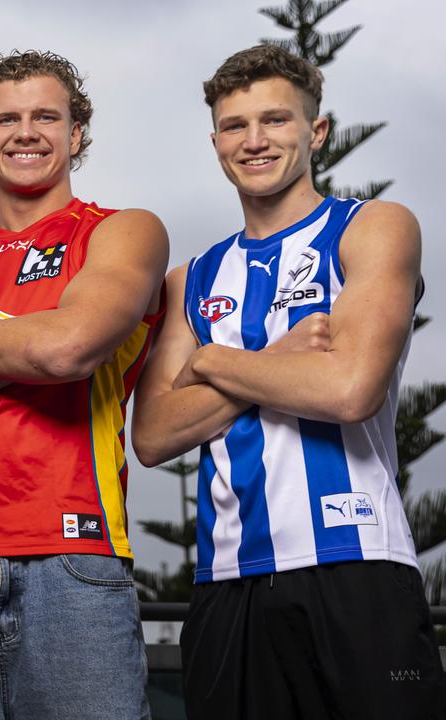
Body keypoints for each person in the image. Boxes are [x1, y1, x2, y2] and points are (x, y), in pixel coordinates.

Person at [132, 44, 445, 718]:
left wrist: (213, 362)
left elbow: (348, 390)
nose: (254, 141)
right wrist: (280, 358)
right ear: (215, 140)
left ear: (317, 132)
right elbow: (154, 434)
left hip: (357, 565)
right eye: (235, 125)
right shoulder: (193, 278)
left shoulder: (372, 228)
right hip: (226, 588)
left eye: (275, 121)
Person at [0, 50, 168, 719]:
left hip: (74, 555)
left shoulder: (122, 232)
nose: (26, 132)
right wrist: (27, 336)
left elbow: (68, 349)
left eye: (46, 116)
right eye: (7, 119)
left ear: (77, 133)